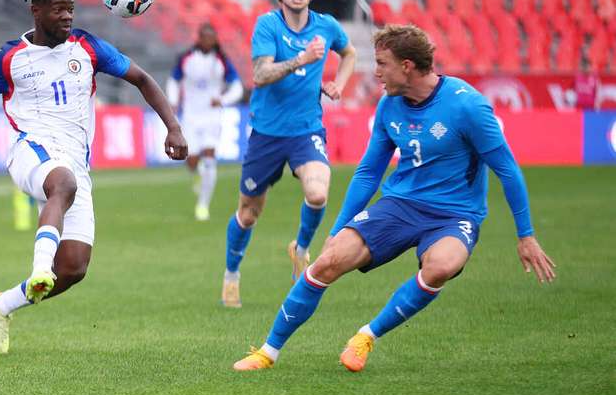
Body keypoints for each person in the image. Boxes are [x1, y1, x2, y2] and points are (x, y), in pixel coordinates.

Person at [232, 24, 556, 371]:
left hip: (455, 215)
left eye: (382, 63)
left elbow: (507, 170)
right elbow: (370, 171)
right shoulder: (389, 106)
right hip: (399, 206)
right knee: (327, 262)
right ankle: (267, 352)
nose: (376, 72)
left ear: (407, 66)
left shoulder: (468, 106)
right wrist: (339, 228)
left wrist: (526, 236)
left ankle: (366, 336)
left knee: (441, 267)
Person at [0, 0, 187, 354]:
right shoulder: (10, 58)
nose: (67, 16)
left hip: (75, 163)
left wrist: (173, 128)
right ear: (36, 11)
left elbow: (141, 78)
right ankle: (40, 267)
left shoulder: (88, 48)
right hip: (30, 151)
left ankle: (3, 304)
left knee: (73, 269)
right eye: (58, 9)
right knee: (63, 184)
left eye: (70, 9)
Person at [220, 0, 357, 307]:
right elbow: (261, 76)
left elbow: (350, 52)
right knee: (249, 213)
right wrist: (302, 60)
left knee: (317, 194)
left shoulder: (326, 26)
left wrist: (338, 84)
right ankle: (232, 274)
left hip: (306, 130)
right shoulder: (267, 26)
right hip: (266, 133)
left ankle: (301, 247)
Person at [165, 23, 244, 221]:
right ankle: (198, 173)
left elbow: (237, 87)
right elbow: (173, 81)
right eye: (205, 37)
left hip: (212, 117)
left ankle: (203, 205)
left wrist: (223, 100)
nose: (209, 41)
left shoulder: (222, 61)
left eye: (212, 37)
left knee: (209, 157)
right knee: (190, 159)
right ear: (199, 38)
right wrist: (173, 101)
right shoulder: (187, 58)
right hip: (190, 116)